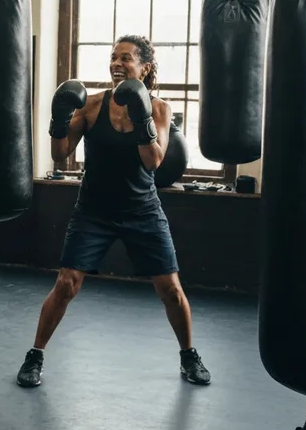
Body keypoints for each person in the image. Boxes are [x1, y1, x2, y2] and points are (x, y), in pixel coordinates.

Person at [15, 35, 211, 388]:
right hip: (94, 209)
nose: (116, 64)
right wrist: (59, 119)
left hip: (142, 210)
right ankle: (35, 355)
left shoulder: (159, 108)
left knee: (170, 289)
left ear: (145, 67)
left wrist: (140, 116)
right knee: (66, 284)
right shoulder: (91, 105)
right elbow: (60, 153)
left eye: (125, 58)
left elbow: (153, 161)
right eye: (113, 58)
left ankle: (189, 355)